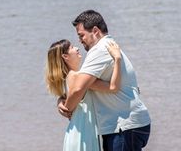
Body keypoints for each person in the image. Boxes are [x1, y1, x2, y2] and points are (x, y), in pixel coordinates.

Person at [58, 10, 151, 150]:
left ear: (95, 31)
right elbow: (83, 85)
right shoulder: (109, 46)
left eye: (81, 35)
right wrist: (60, 100)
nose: (80, 40)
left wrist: (67, 108)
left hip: (123, 126)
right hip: (127, 125)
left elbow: (78, 88)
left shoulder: (100, 49)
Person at [46, 38, 123, 150]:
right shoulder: (77, 77)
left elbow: (66, 99)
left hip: (78, 133)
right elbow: (113, 87)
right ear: (65, 56)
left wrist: (60, 102)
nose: (77, 48)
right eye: (72, 47)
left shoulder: (67, 79)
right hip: (83, 135)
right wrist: (117, 58)